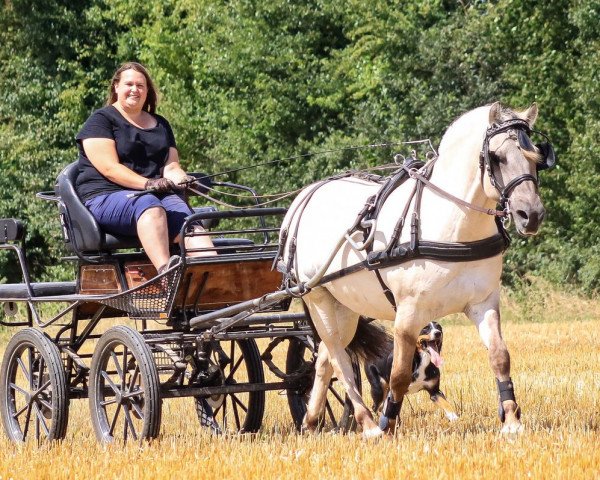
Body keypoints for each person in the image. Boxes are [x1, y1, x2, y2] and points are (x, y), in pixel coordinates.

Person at [75, 61, 215, 274]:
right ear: (116, 87)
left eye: (140, 85)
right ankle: (167, 275)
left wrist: (180, 177)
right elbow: (109, 169)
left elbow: (171, 164)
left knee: (190, 223)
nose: (135, 89)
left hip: (155, 194)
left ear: (147, 90)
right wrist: (148, 184)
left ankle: (214, 280)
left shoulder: (160, 124)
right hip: (107, 196)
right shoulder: (101, 120)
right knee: (149, 205)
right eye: (129, 84)